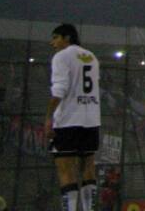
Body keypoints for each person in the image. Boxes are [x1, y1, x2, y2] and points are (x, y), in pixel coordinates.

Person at [45, 24, 101, 211]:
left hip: (68, 121)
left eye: (55, 37)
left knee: (65, 169)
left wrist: (48, 118)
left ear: (67, 37)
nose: (52, 42)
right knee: (88, 166)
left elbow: (59, 90)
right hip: (91, 120)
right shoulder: (91, 56)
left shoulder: (61, 56)